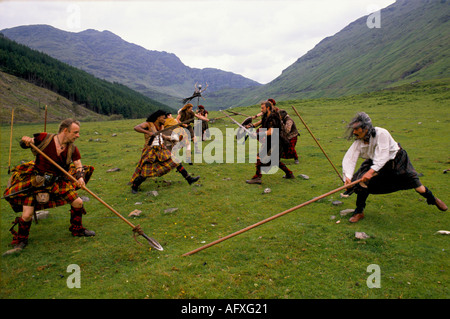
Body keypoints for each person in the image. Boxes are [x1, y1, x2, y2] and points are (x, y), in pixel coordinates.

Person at [3, 119, 95, 254]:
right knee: (27, 214)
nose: (78, 135)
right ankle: (21, 240)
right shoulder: (44, 138)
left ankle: (77, 230)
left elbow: (78, 165)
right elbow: (25, 144)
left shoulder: (72, 149)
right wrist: (25, 140)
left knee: (78, 202)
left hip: (58, 182)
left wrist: (80, 177)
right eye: (75, 132)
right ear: (65, 130)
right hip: (37, 180)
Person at [342, 112, 447, 223]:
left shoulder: (382, 133)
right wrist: (347, 178)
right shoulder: (359, 142)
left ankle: (432, 199)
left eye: (356, 129)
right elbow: (350, 158)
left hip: (396, 161)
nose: (354, 132)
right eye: (353, 129)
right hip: (376, 162)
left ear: (366, 128)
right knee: (362, 183)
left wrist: (371, 172)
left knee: (418, 187)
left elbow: (383, 155)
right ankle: (359, 212)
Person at [130, 110, 200, 193]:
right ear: (158, 117)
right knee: (146, 171)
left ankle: (189, 179)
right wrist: (148, 132)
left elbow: (161, 136)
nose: (165, 120)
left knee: (176, 161)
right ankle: (134, 187)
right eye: (163, 118)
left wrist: (170, 138)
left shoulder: (161, 126)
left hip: (161, 149)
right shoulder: (148, 124)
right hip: (150, 150)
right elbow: (136, 128)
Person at [245, 100, 295, 184]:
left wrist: (257, 134)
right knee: (262, 157)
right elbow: (261, 123)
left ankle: (257, 177)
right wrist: (251, 126)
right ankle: (289, 173)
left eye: (262, 108)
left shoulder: (274, 117)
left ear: (268, 108)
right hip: (269, 141)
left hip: (278, 142)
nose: (261, 110)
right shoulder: (265, 116)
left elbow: (270, 131)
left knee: (269, 161)